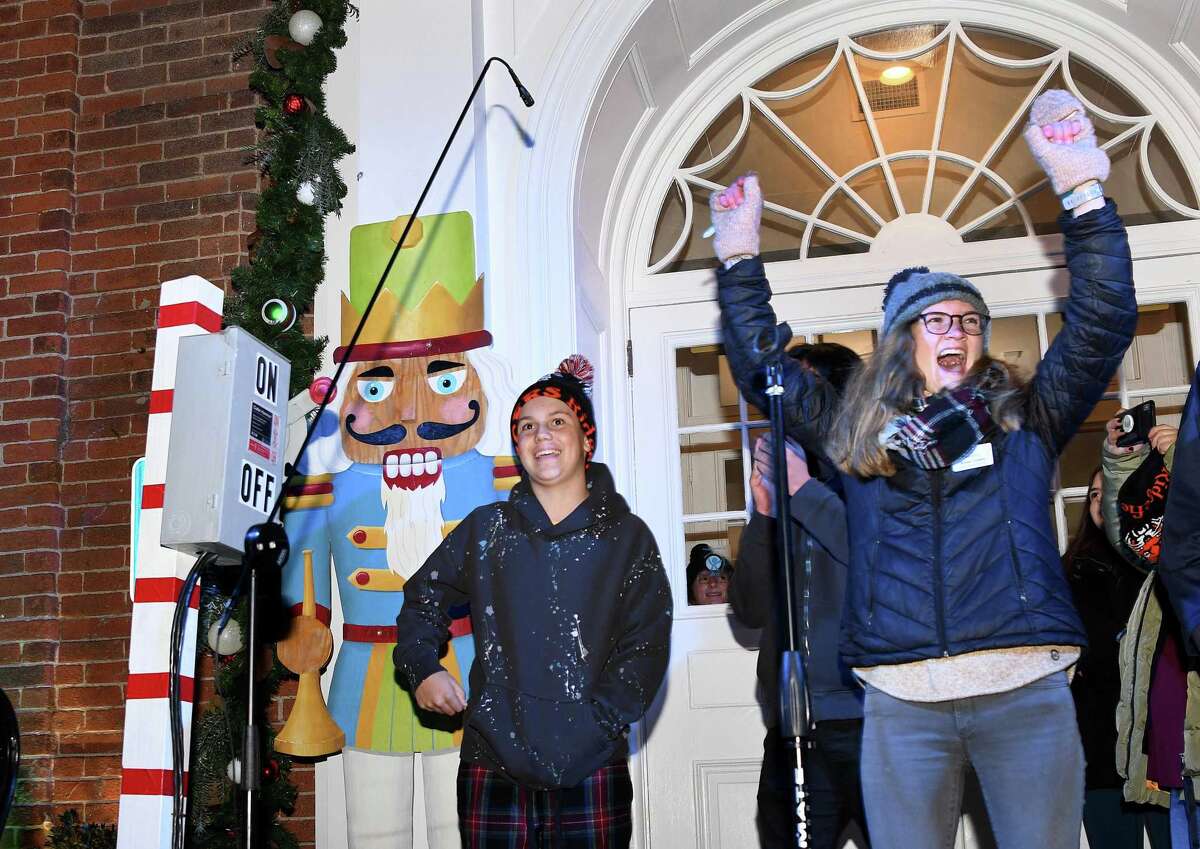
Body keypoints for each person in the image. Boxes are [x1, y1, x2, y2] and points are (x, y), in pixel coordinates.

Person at [708, 89, 1136, 848]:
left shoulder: (1025, 420)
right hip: (901, 699)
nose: (957, 331)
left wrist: (1081, 189)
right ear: (904, 340)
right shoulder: (858, 436)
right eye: (936, 320)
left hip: (1024, 690)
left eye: (969, 320)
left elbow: (1101, 319)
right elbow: (765, 370)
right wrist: (740, 259)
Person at [393, 356, 672, 848]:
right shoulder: (486, 529)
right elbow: (421, 601)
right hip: (491, 762)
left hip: (593, 767)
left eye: (557, 422)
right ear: (517, 445)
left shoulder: (629, 540)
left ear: (586, 439)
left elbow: (645, 648)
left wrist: (593, 726)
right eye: (527, 426)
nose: (541, 435)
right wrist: (423, 668)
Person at [729, 343, 869, 849]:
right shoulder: (784, 490)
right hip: (795, 725)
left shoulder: (874, 478)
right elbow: (748, 609)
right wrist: (765, 511)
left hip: (873, 722)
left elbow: (874, 559)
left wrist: (803, 490)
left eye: (803, 392)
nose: (788, 409)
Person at [1103, 410, 1196, 848]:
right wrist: (1128, 462)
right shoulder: (1167, 567)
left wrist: (1185, 459)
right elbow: (1137, 536)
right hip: (1178, 756)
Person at [1064, 466, 1170, 849]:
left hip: (1162, 747)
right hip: (1099, 747)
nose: (1100, 501)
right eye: (1093, 494)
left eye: (1108, 492)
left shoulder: (1163, 565)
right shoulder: (1067, 571)